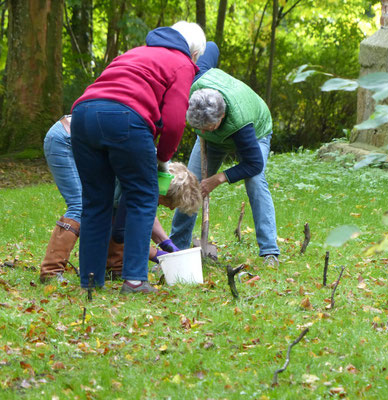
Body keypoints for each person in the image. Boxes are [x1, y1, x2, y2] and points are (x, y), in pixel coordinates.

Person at [70, 22, 206, 293]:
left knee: (97, 202)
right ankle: (134, 280)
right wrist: (163, 159)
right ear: (193, 54)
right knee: (142, 196)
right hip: (126, 118)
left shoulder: (134, 52)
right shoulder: (182, 63)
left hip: (82, 115)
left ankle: (90, 281)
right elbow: (175, 119)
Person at [39, 117, 200, 283]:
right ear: (164, 193)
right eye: (170, 204)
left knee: (112, 207)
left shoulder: (160, 173)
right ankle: (50, 272)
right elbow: (126, 231)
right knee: (80, 205)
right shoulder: (142, 170)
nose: (171, 209)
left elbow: (132, 211)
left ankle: (114, 267)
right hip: (66, 141)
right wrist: (157, 254)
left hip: (86, 138)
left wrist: (167, 243)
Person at [169, 42, 280, 265]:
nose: (199, 131)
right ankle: (177, 247)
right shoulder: (196, 81)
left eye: (206, 128)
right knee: (190, 183)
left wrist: (218, 179)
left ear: (221, 118)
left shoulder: (241, 123)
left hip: (256, 129)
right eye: (196, 127)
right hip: (214, 140)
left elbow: (254, 164)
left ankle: (269, 251)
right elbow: (211, 46)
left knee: (255, 181)